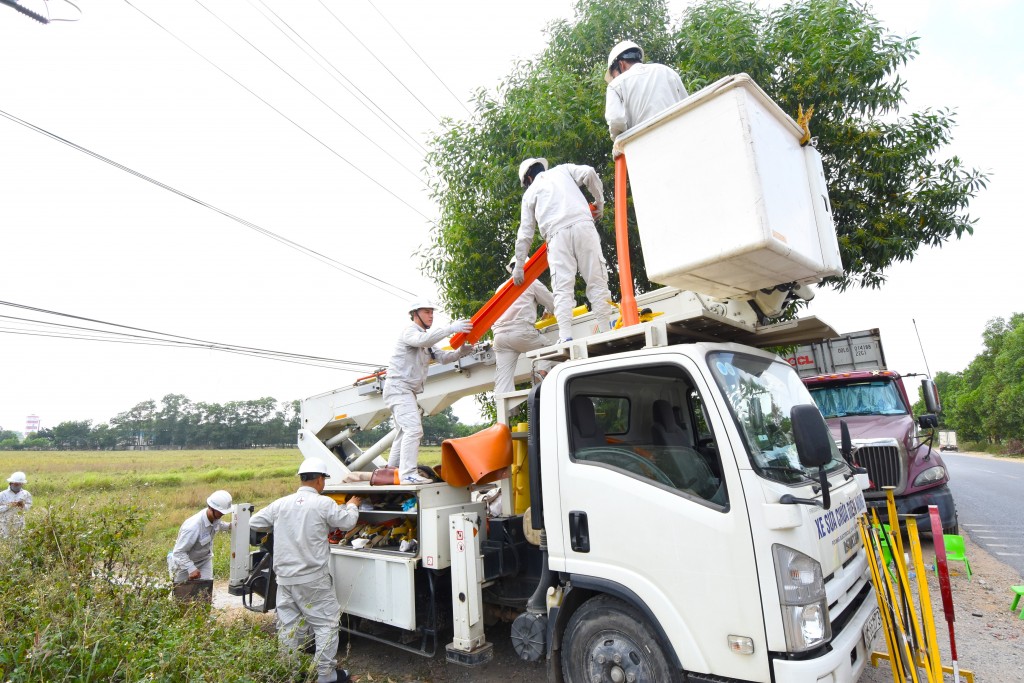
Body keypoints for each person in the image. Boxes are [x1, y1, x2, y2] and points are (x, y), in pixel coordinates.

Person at [250, 458, 362, 683]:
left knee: (288, 627)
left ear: (301, 478)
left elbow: (254, 521)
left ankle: (290, 673)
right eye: (323, 481)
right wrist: (353, 504)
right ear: (320, 480)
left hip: (285, 580)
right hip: (313, 580)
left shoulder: (280, 504)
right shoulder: (324, 504)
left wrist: (279, 529)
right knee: (326, 625)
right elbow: (347, 523)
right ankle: (326, 675)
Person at [513, 158, 614, 342]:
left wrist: (519, 266)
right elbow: (589, 172)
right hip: (584, 226)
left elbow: (525, 234)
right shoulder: (563, 170)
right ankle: (606, 329)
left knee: (562, 287)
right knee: (596, 278)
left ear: (528, 178)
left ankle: (566, 336)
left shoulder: (529, 194)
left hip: (557, 236)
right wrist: (599, 202)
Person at [384, 300, 474, 484]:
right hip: (399, 388)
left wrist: (460, 352)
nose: (431, 315)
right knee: (413, 429)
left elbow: (442, 357)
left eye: (432, 312)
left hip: (405, 390)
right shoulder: (411, 332)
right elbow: (424, 340)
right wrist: (450, 329)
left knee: (404, 432)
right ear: (415, 314)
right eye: (426, 312)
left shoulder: (427, 339)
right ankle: (407, 474)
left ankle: (390, 472)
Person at [493, 259, 556, 393]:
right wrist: (549, 311)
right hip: (520, 331)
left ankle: (505, 409)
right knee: (548, 349)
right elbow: (552, 302)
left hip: (500, 337)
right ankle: (541, 375)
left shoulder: (501, 287)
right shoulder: (531, 281)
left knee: (503, 380)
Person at [604, 40, 688, 141]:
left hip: (644, 144)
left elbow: (616, 120)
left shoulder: (615, 85)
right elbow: (687, 105)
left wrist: (619, 144)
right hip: (678, 136)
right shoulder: (667, 71)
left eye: (614, 76)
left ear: (621, 64)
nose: (615, 78)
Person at [167, 489, 233, 586]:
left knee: (205, 590)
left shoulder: (214, 517)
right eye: (220, 512)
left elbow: (218, 524)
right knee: (181, 594)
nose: (222, 514)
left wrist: (230, 526)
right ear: (211, 508)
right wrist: (191, 568)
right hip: (183, 564)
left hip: (205, 559)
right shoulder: (192, 527)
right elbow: (179, 552)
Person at [0, 471, 32, 538]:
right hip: (5, 524)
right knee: (6, 541)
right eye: (14, 484)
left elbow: (28, 507)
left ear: (22, 484)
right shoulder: (2, 495)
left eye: (18, 484)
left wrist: (23, 505)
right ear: (10, 483)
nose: (16, 486)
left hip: (20, 523)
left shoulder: (26, 494)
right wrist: (9, 506)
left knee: (19, 541)